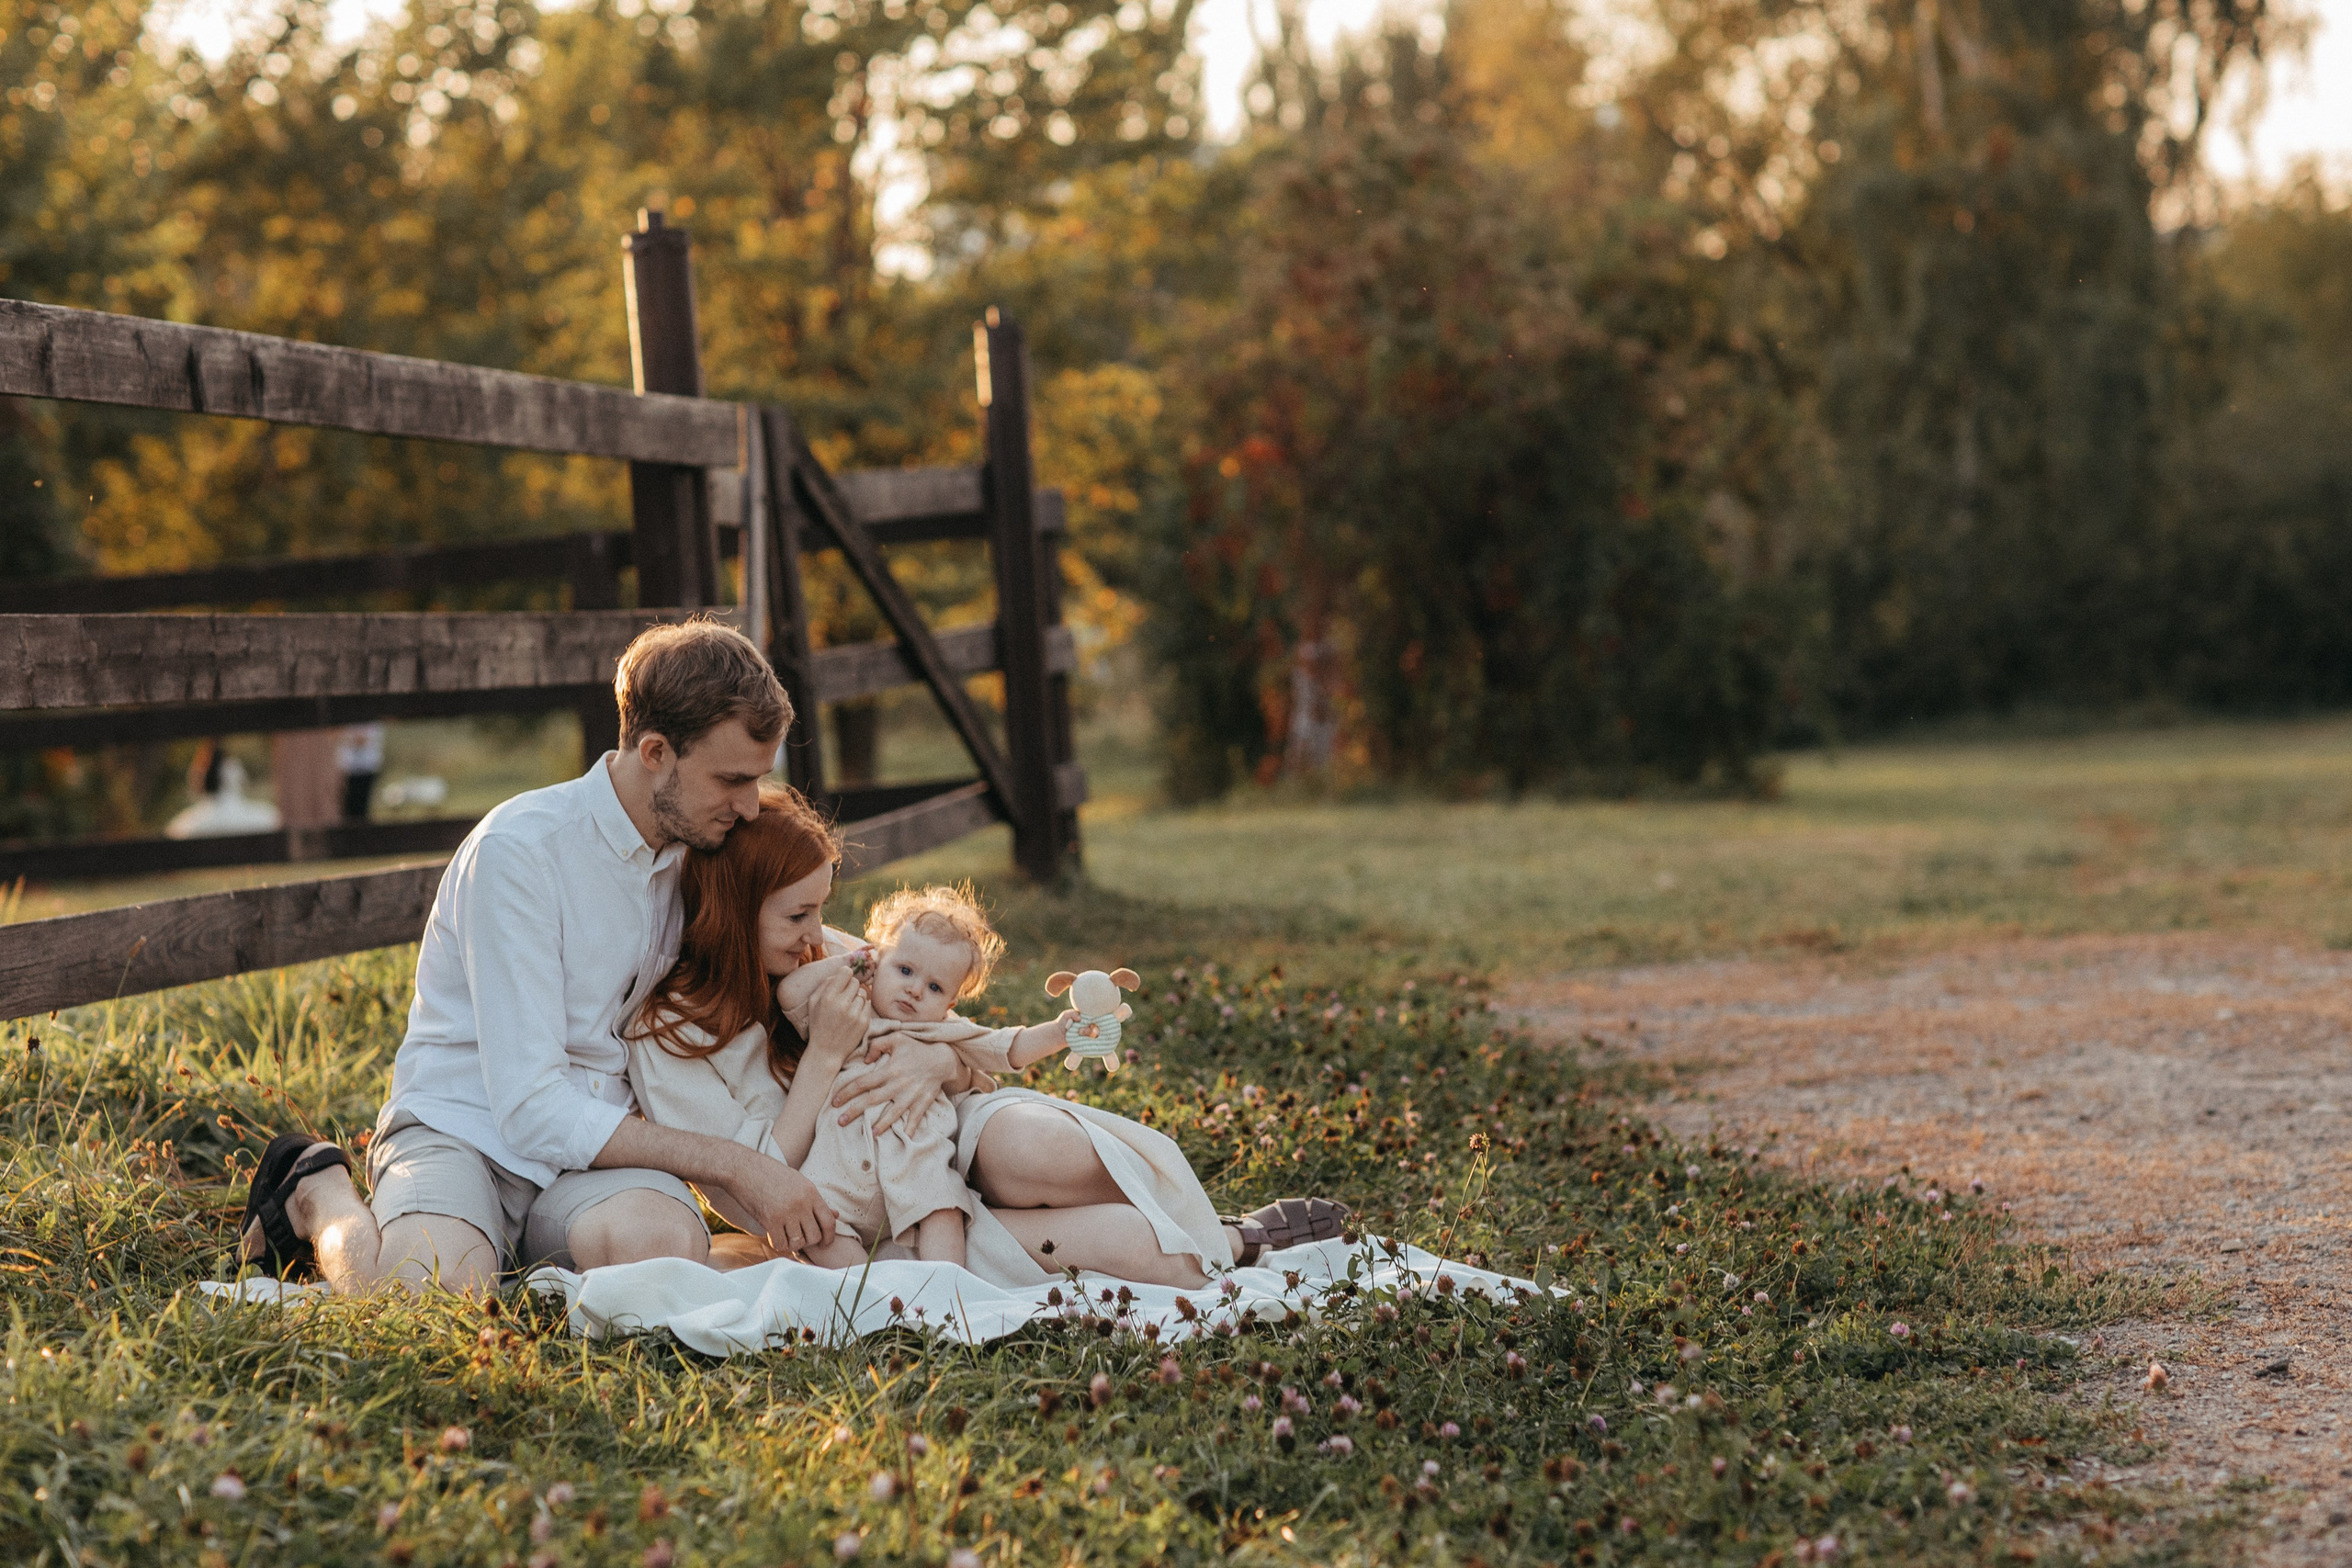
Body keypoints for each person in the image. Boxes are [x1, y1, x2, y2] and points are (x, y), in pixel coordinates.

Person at [234, 618, 844, 1294]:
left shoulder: (708, 839)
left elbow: (808, 935)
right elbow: (531, 1108)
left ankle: (514, 1260)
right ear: (654, 752)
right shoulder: (520, 853)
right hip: (468, 1131)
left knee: (667, 1248)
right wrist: (735, 1163)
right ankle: (319, 1192)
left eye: (759, 779)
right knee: (426, 1294)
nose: (752, 806)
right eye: (732, 779)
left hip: (594, 1158)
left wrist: (932, 1033)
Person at [626, 785, 1350, 1288]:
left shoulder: (823, 955)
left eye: (821, 911)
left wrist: (931, 1060)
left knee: (1037, 1146)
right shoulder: (669, 1034)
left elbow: (964, 1050)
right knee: (1148, 1256)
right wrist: (822, 1056)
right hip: (852, 1202)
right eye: (797, 917)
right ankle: (1232, 1236)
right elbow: (752, 1189)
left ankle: (1157, 1206)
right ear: (732, 909)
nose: (820, 935)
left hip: (936, 1133)